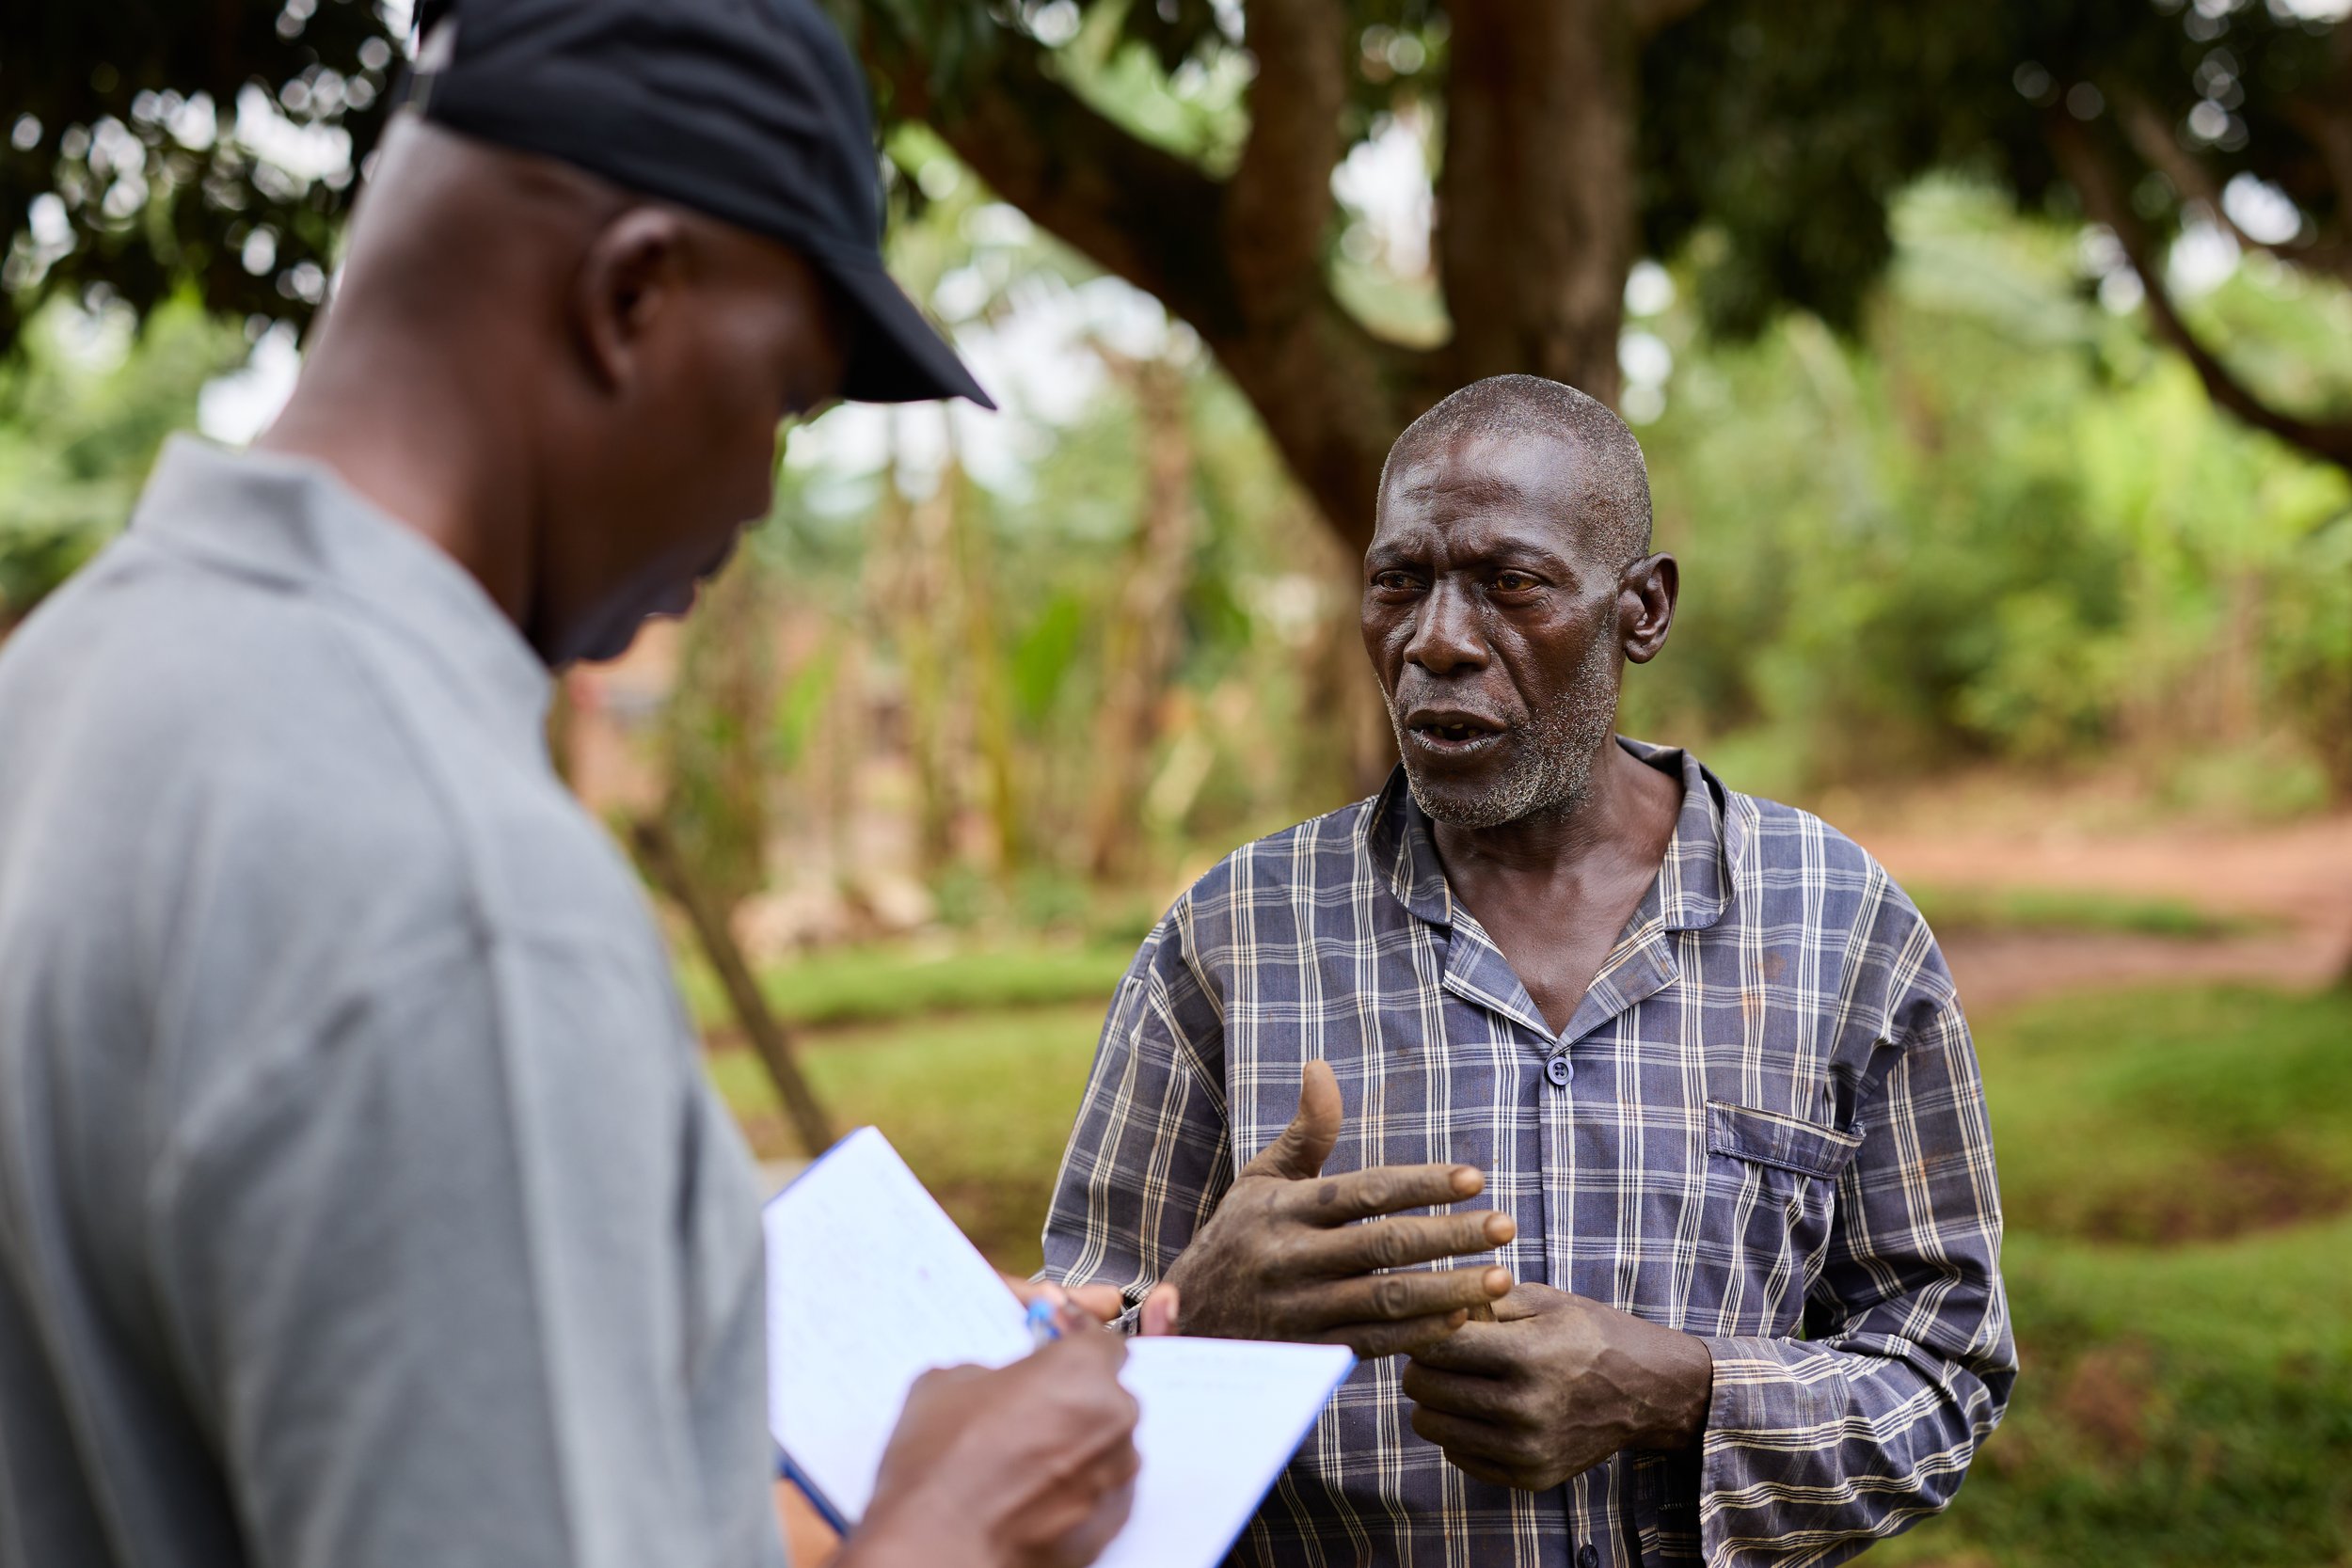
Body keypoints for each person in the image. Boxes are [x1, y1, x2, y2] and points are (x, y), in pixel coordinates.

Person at [0, 2, 1159, 1565]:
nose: (755, 492)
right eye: (779, 401)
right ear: (632, 293)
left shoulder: (65, 690)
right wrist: (951, 1526)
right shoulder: (457, 892)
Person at [1041, 374, 2016, 1566]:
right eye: (1399, 581)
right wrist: (1190, 1322)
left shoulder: (1837, 923)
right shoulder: (1227, 941)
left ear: (1641, 610)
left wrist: (1673, 1391)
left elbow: (1944, 1368)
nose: (1437, 641)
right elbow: (1045, 1406)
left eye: (1511, 583)